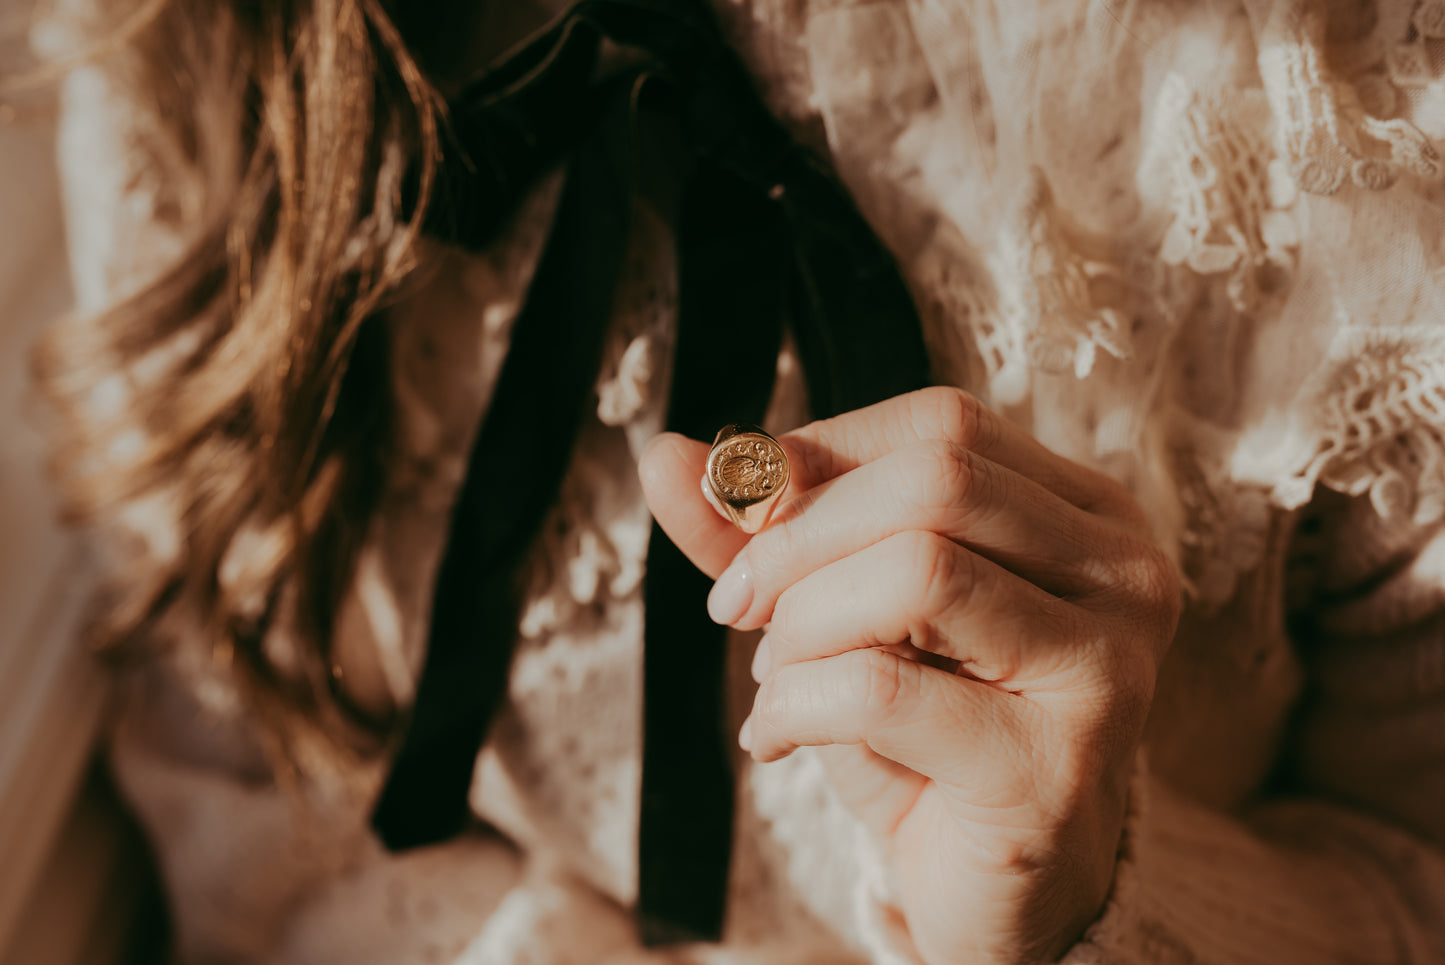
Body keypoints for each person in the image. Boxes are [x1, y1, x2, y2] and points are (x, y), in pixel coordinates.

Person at [30, 0, 1445, 961]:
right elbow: (256, 791)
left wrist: (1083, 901)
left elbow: (1411, 866)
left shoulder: (1327, 101)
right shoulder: (200, 53)